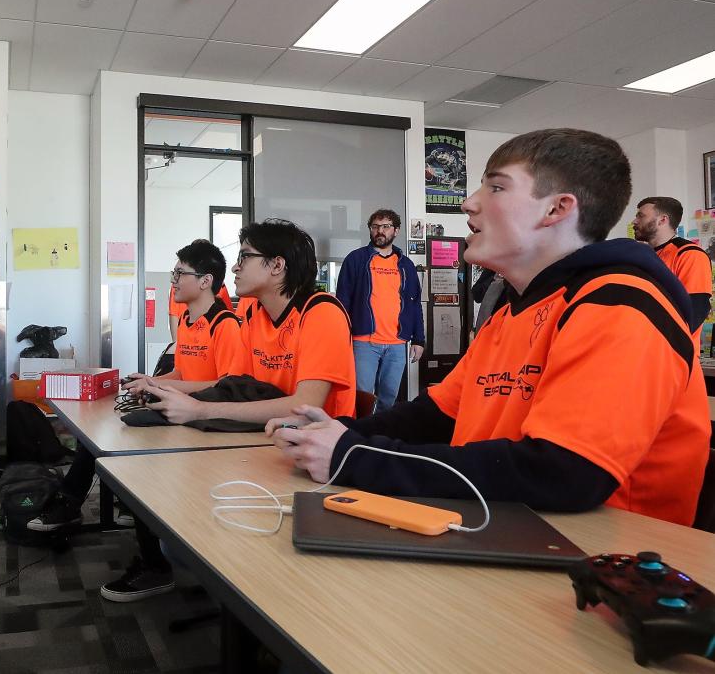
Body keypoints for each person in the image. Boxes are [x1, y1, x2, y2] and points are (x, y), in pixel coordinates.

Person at [270, 129, 710, 526]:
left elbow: (563, 474)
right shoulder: (511, 314)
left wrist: (356, 457)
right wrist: (337, 432)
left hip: (594, 558)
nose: (468, 202)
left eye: (496, 187)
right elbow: (437, 415)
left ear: (558, 208)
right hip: (501, 529)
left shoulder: (621, 303)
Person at [26, 240, 245, 539]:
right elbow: (182, 371)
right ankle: (100, 504)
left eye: (181, 274)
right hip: (176, 406)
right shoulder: (187, 320)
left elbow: (226, 386)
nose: (174, 282)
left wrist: (159, 385)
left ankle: (101, 512)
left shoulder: (225, 325)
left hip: (202, 418)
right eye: (174, 273)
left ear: (206, 281)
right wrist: (151, 381)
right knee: (102, 432)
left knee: (120, 434)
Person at [137, 219, 357, 423]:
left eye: (245, 257)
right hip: (265, 438)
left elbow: (306, 408)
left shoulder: (321, 312)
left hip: (320, 449)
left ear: (277, 265)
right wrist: (164, 392)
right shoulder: (255, 315)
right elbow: (234, 387)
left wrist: (199, 409)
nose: (235, 267)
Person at [335, 210, 425, 413]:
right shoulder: (356, 259)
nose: (379, 231)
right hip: (363, 342)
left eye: (385, 227)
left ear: (396, 230)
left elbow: (414, 303)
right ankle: (358, 436)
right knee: (362, 396)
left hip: (397, 344)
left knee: (389, 398)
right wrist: (341, 336)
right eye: (375, 227)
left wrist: (419, 340)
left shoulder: (406, 265)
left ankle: (379, 438)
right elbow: (343, 301)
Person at [632, 196, 712, 331]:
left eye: (641, 216)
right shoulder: (641, 256)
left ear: (663, 220)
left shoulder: (690, 254)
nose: (634, 221)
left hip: (672, 350)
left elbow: (694, 313)